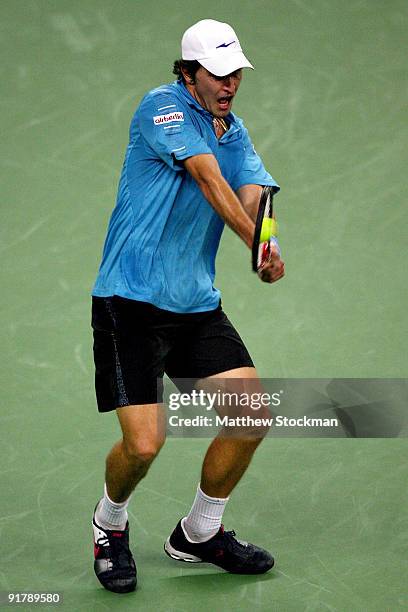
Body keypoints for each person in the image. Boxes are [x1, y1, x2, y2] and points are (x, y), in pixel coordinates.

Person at [91, 19, 285, 593]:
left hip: (195, 304)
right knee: (145, 443)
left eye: (235, 74)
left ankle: (199, 533)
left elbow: (251, 187)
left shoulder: (234, 129)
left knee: (250, 417)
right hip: (129, 300)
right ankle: (110, 524)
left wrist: (265, 242)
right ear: (190, 72)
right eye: (218, 74)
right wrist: (255, 241)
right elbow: (206, 178)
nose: (229, 84)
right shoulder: (163, 108)